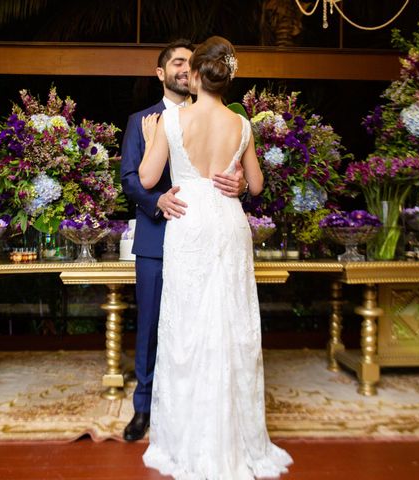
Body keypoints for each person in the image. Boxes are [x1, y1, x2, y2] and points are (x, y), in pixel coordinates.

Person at [138, 36, 293, 478]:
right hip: (227, 223)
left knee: (187, 329)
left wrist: (153, 137)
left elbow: (149, 176)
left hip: (189, 221)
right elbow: (257, 186)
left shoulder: (172, 120)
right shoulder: (241, 125)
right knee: (230, 326)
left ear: (197, 76)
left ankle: (188, 440)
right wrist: (239, 181)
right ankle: (236, 440)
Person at [120, 39, 247, 442]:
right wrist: (156, 201)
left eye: (189, 63)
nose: (183, 68)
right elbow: (129, 180)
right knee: (154, 327)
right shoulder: (143, 120)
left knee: (209, 325)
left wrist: (239, 184)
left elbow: (239, 176)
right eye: (176, 62)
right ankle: (143, 409)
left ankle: (200, 412)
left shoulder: (230, 117)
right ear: (161, 73)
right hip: (158, 241)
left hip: (208, 240)